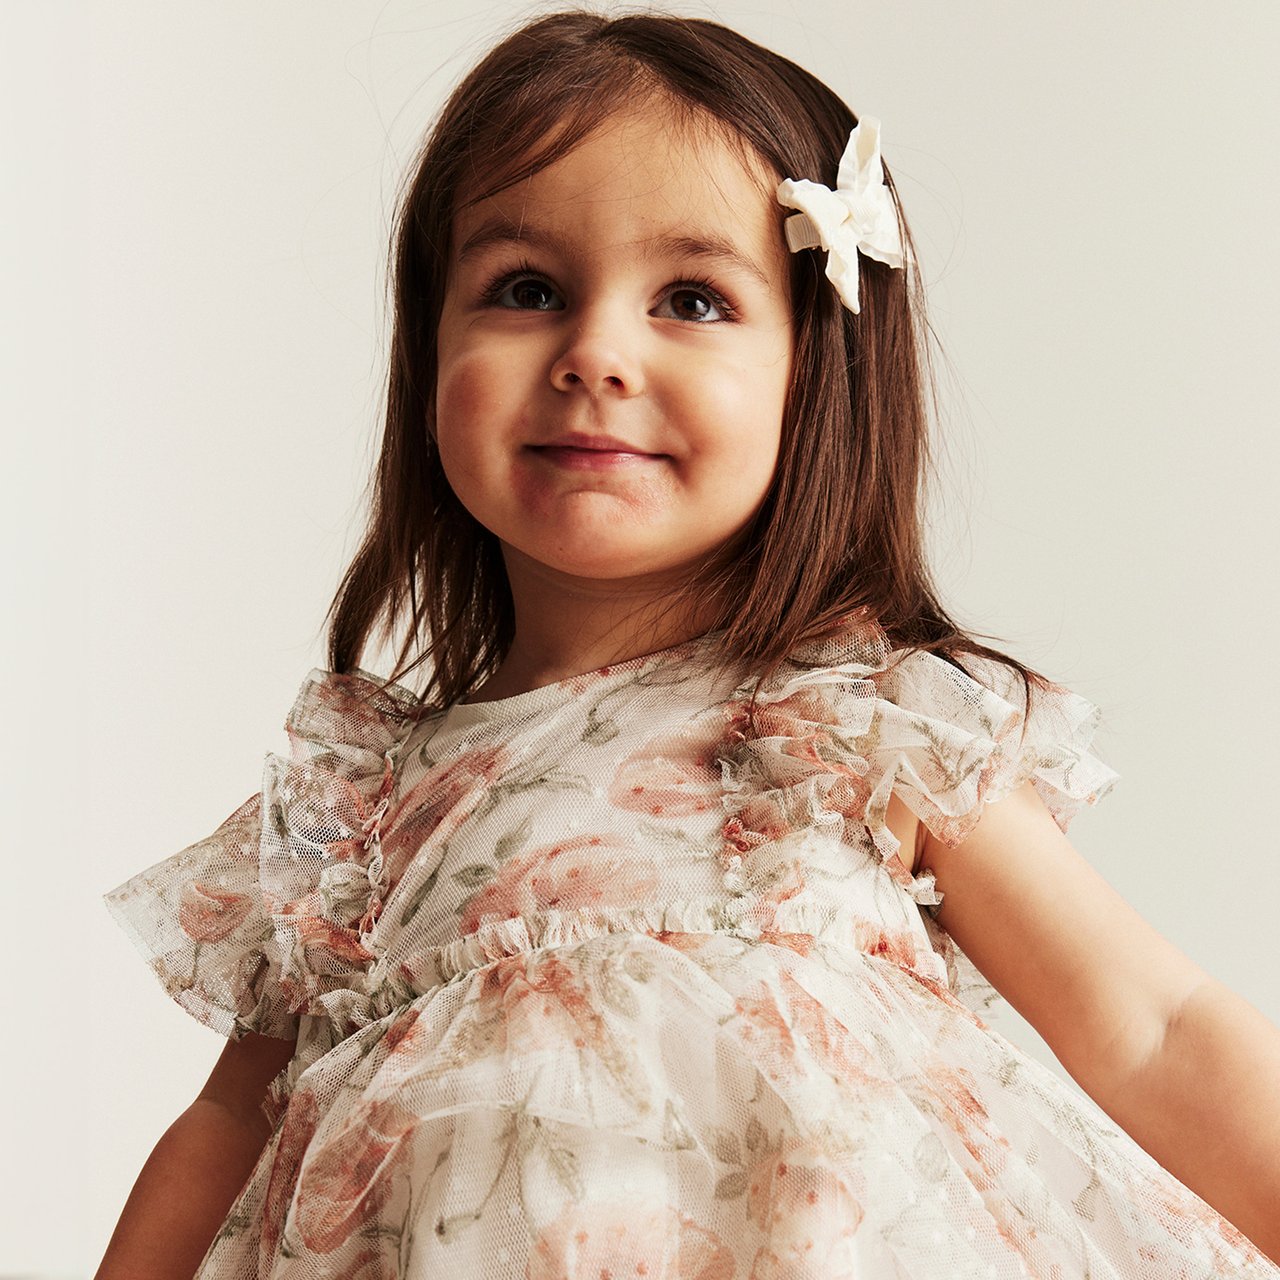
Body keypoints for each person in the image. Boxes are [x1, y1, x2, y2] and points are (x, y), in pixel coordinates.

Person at [95, 11, 1280, 1278]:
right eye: (527, 289)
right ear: (425, 343)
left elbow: (1148, 1028)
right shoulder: (361, 812)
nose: (595, 353)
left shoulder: (855, 723)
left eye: (692, 299)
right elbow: (228, 1129)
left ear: (813, 376)